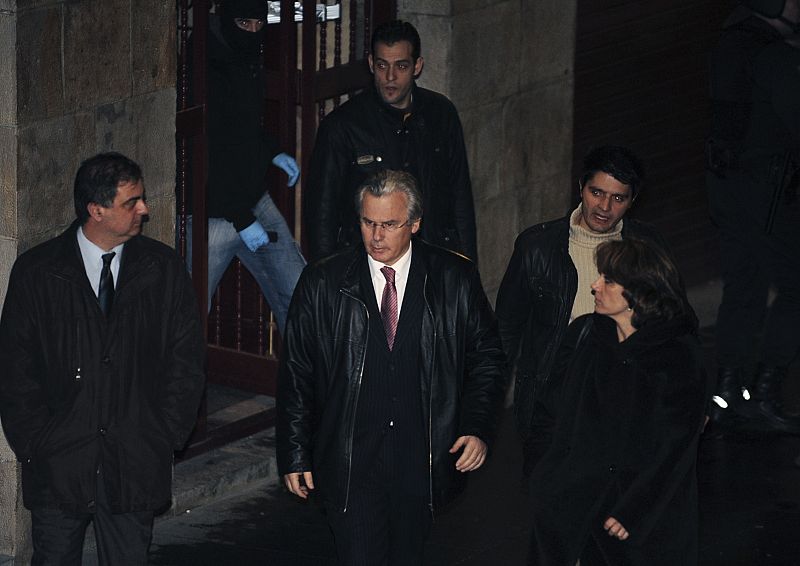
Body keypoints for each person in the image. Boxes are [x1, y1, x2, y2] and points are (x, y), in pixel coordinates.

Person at [277, 170, 504, 565]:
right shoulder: (323, 283)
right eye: (368, 222)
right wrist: (295, 452)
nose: (376, 236)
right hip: (351, 463)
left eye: (389, 224)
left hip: (422, 462)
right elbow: (297, 371)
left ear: (415, 224)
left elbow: (487, 358)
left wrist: (477, 426)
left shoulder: (454, 278)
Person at [0, 153, 206, 565]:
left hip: (133, 464)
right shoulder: (38, 273)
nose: (144, 209)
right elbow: (15, 372)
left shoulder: (162, 269)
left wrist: (161, 436)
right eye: (132, 202)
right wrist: (39, 444)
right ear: (96, 210)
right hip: (60, 466)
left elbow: (186, 364)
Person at [495, 145, 684, 477]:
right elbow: (505, 332)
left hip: (625, 399)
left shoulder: (648, 247)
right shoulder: (537, 247)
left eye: (618, 198)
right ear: (580, 187)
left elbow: (676, 325)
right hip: (553, 399)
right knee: (552, 500)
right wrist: (481, 409)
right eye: (597, 192)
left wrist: (685, 396)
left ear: (632, 200)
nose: (604, 207)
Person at [527, 239, 708, 566]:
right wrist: (545, 480)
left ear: (640, 293)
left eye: (609, 280)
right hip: (569, 504)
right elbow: (550, 410)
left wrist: (634, 510)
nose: (595, 286)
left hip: (635, 518)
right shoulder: (586, 335)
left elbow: (675, 446)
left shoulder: (678, 355)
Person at [304, 19, 478, 263]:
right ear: (371, 64)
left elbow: (460, 196)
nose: (391, 77)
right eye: (382, 65)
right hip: (368, 263)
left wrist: (467, 266)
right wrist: (326, 280)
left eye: (401, 66)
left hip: (432, 257)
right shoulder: (343, 126)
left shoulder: (441, 114)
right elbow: (322, 213)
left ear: (417, 66)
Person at [706, 0, 800, 431]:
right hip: (767, 193)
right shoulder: (773, 56)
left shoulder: (729, 43)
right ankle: (764, 390)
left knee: (744, 285)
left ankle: (728, 389)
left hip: (728, 190)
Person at [187, 0, 306, 332]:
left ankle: (302, 383)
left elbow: (244, 127)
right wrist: (241, 217)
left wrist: (271, 150)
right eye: (245, 24)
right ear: (228, 20)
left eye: (258, 24)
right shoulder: (204, 63)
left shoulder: (246, 54)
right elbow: (211, 146)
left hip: (253, 197)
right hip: (213, 212)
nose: (253, 32)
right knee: (190, 315)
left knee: (300, 295)